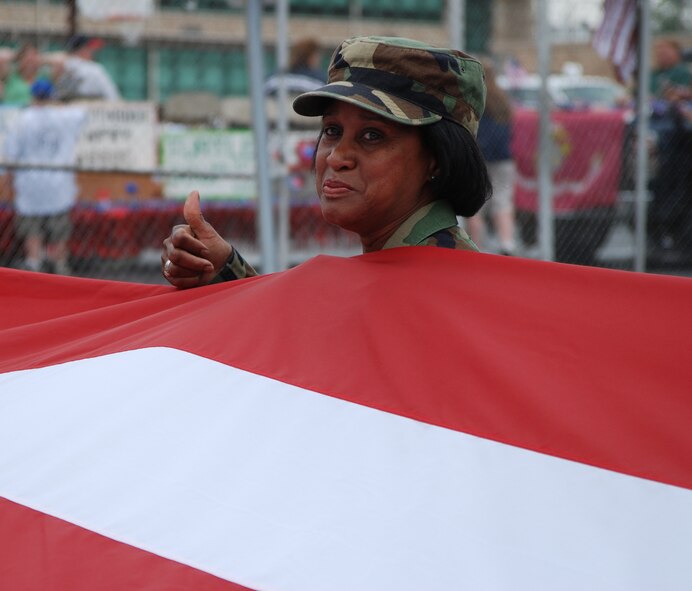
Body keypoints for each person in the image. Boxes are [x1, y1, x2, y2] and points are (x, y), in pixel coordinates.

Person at [162, 35, 491, 289]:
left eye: (372, 136)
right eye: (332, 130)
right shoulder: (405, 266)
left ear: (437, 158)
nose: (336, 156)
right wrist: (220, 268)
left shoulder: (440, 282)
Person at [3, 79, 86, 274]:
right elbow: (82, 114)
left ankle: (34, 261)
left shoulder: (21, 119)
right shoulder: (64, 116)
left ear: (32, 96)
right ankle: (58, 261)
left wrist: (8, 179)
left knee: (31, 226)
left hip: (30, 181)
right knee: (58, 226)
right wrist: (57, 104)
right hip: (58, 182)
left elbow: (11, 152)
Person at [466, 57, 516, 256]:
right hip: (503, 159)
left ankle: (477, 248)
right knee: (502, 201)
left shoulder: (474, 98)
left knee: (475, 204)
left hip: (479, 159)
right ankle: (507, 243)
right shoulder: (503, 100)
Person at [54, 35, 120, 101]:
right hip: (86, 106)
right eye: (89, 49)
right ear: (82, 49)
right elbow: (112, 96)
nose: (93, 52)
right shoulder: (94, 68)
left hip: (70, 105)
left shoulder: (63, 64)